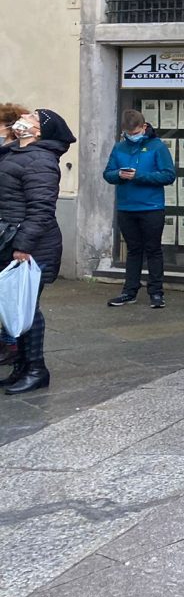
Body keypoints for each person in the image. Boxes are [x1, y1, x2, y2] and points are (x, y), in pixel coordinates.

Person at [0, 108, 77, 394]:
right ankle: (21, 366)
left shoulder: (41, 161)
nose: (23, 119)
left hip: (32, 247)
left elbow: (41, 209)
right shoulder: (13, 153)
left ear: (40, 130)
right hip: (10, 240)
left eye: (31, 117)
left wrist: (23, 246)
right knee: (14, 307)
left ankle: (36, 369)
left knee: (27, 308)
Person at [103, 109, 176, 309]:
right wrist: (119, 174)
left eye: (135, 133)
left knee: (153, 250)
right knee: (133, 250)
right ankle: (129, 291)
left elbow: (168, 175)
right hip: (127, 207)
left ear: (144, 128)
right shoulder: (119, 147)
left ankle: (156, 293)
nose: (132, 137)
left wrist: (139, 176)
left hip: (152, 206)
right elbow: (107, 174)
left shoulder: (157, 146)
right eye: (129, 134)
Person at [0, 102, 29, 368]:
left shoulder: (16, 156)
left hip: (10, 233)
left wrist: (21, 242)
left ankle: (11, 345)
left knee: (11, 294)